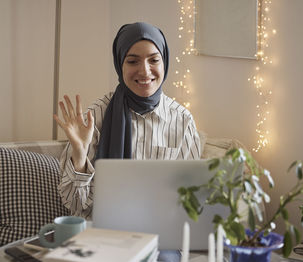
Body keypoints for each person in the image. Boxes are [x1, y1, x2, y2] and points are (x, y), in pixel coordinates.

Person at [54, 22, 201, 218]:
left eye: (154, 60)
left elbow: (191, 202)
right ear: (119, 64)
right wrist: (79, 157)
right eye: (133, 61)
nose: (145, 71)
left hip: (159, 234)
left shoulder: (182, 121)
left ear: (164, 61)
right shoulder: (95, 116)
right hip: (102, 233)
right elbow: (74, 206)